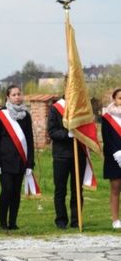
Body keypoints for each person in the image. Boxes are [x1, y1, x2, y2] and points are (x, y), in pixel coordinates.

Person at [0, 85, 35, 230]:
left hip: (20, 161)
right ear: (8, 97)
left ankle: (13, 222)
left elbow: (29, 140)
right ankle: (2, 222)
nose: (17, 97)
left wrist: (30, 164)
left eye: (19, 94)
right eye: (14, 95)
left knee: (16, 192)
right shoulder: (1, 115)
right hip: (4, 162)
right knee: (7, 190)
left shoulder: (26, 116)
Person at [47, 96, 86, 229]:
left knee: (77, 190)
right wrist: (67, 134)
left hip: (79, 155)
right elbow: (51, 132)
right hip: (61, 155)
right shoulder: (55, 108)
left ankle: (76, 220)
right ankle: (61, 220)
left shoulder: (81, 108)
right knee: (60, 190)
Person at [101, 88, 121, 230]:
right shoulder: (107, 118)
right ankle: (115, 220)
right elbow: (107, 139)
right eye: (120, 98)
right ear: (114, 99)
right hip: (114, 158)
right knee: (115, 188)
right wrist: (117, 153)